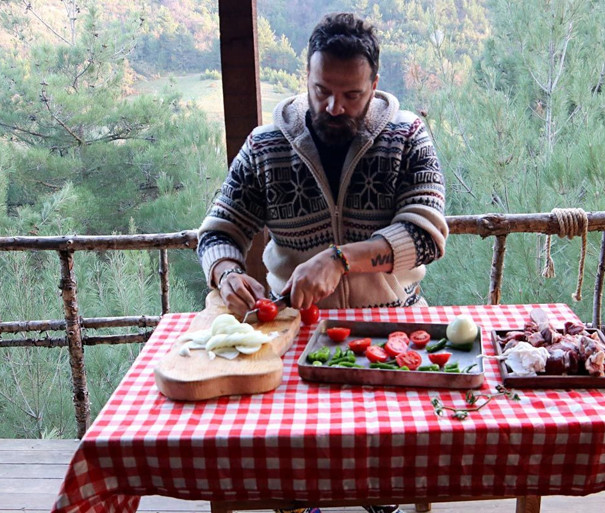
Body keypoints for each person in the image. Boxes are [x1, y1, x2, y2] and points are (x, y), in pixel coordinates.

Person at [196, 12, 448, 513]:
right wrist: (226, 272)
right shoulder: (264, 147)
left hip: (392, 325)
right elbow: (218, 231)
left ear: (374, 84)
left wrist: (340, 259)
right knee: (287, 463)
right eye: (321, 90)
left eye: (351, 94)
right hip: (293, 328)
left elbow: (427, 236)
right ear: (306, 79)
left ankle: (382, 502)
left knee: (387, 464)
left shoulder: (409, 137)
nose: (334, 107)